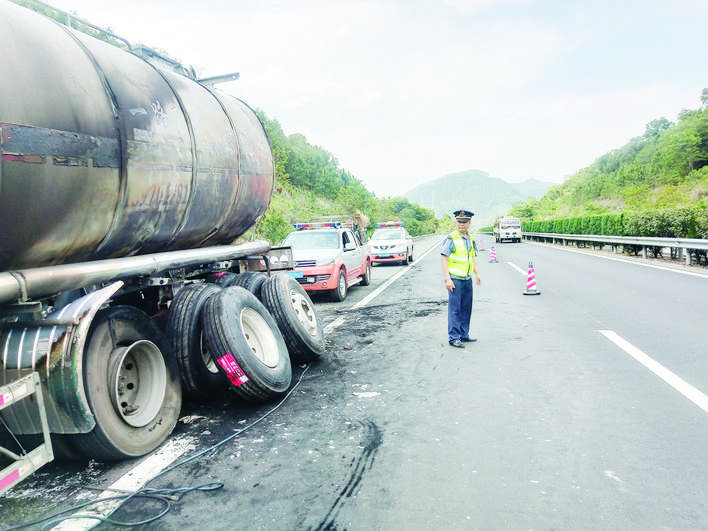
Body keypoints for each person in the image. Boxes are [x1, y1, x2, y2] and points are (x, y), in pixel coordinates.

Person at [440, 209, 481, 348]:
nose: (461, 225)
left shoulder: (470, 239)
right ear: (456, 222)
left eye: (464, 222)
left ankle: (464, 334)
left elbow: (472, 258)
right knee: (455, 309)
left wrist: (477, 274)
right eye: (459, 222)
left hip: (467, 279)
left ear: (469, 223)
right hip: (455, 279)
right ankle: (454, 337)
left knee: (466, 308)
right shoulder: (452, 238)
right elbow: (443, 258)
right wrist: (447, 279)